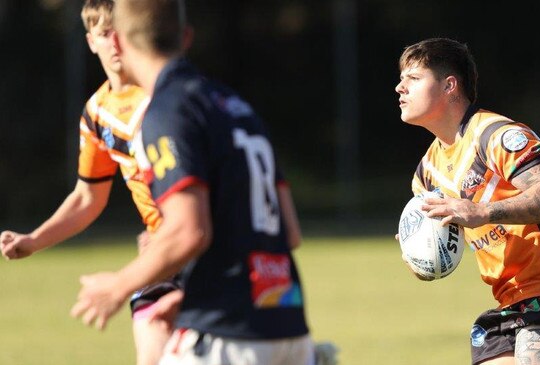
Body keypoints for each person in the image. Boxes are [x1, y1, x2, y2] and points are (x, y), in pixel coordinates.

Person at [70, 1, 319, 364]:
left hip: (228, 336)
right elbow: (289, 233)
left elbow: (189, 231)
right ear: (186, 38)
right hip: (287, 327)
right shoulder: (236, 106)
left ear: (119, 43)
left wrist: (118, 286)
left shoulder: (167, 111)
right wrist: (189, 297)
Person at [394, 38, 540, 365]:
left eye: (413, 78)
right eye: (402, 79)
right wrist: (417, 254)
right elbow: (437, 258)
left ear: (449, 85)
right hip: (507, 305)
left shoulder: (494, 135)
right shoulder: (426, 174)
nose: (399, 87)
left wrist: (483, 211)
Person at [0, 1, 182, 364]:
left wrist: (175, 228)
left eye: (121, 33)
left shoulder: (166, 96)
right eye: (103, 34)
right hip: (162, 254)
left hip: (197, 241)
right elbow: (88, 197)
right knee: (152, 352)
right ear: (90, 42)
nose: (114, 43)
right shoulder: (97, 113)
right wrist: (35, 239)